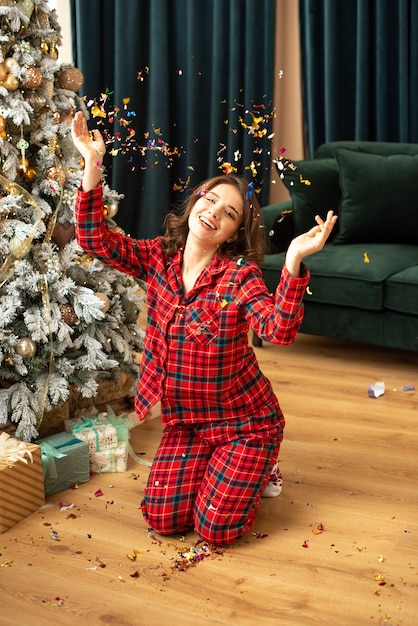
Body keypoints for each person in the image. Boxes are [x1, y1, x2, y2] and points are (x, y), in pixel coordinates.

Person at [71, 111, 337, 547]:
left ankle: (257, 464)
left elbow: (278, 331)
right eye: (210, 200)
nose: (214, 213)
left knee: (216, 529)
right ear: (196, 200)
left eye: (229, 213)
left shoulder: (239, 277)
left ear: (233, 233)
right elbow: (94, 240)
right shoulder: (158, 257)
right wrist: (92, 166)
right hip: (187, 423)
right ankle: (217, 469)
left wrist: (292, 261)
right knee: (163, 519)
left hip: (244, 423)